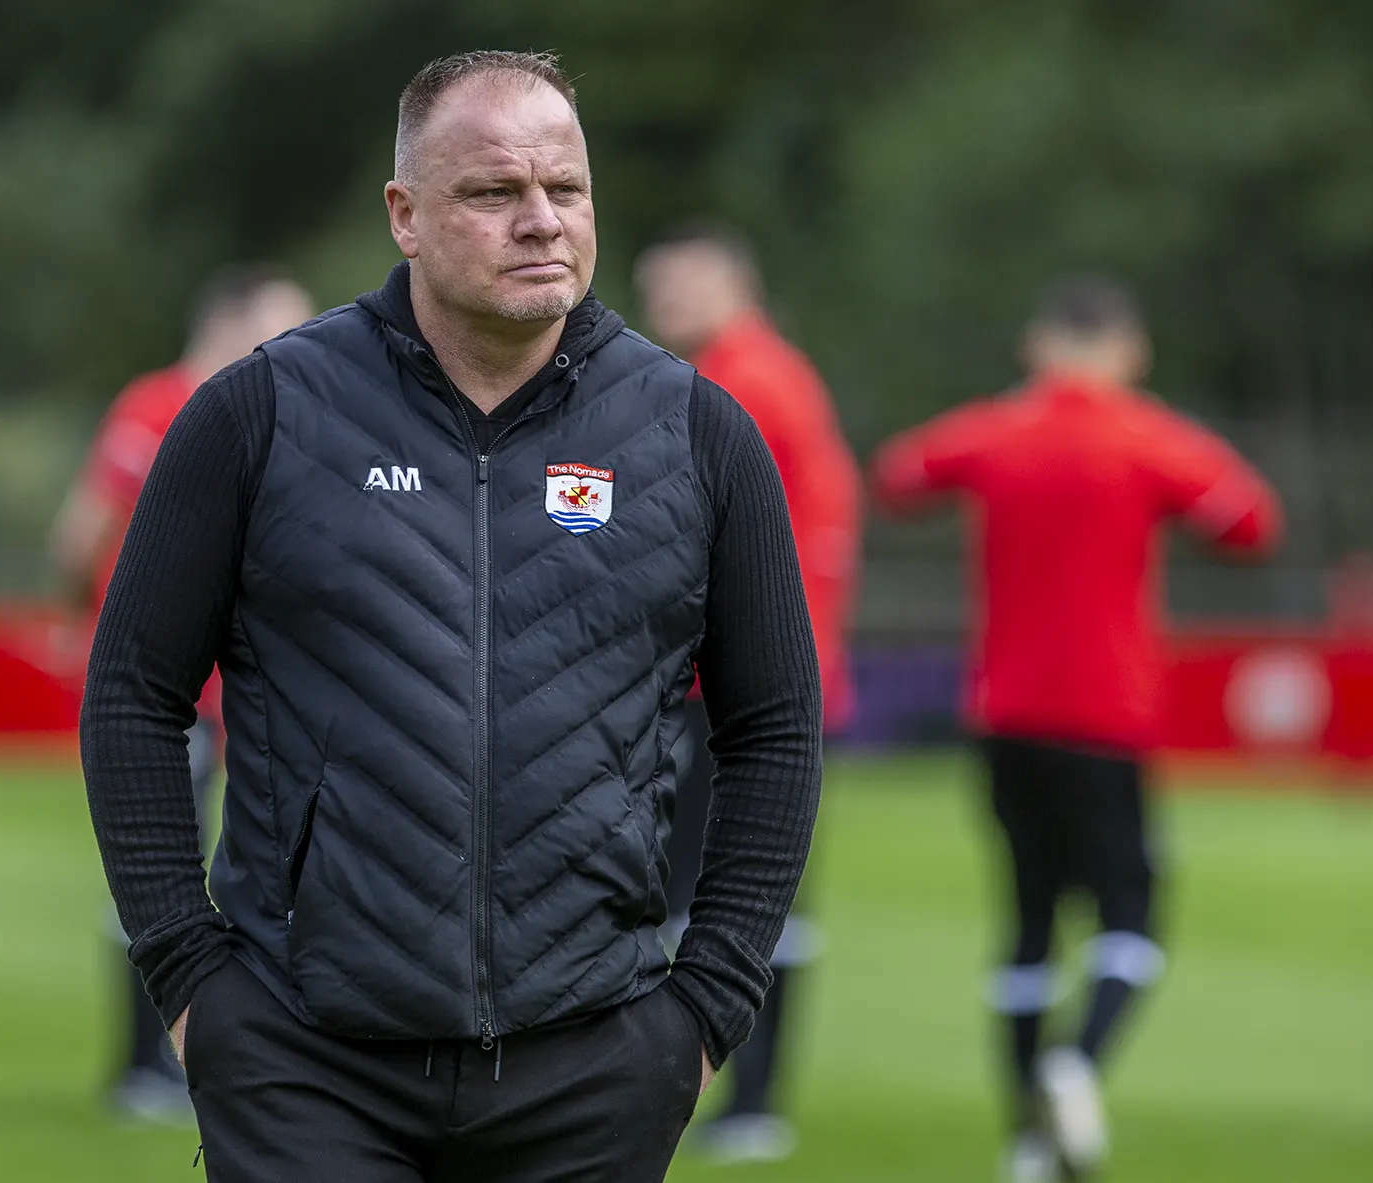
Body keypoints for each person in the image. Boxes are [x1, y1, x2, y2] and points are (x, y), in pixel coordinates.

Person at [80, 50, 821, 1183]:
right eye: (493, 192)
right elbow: (132, 695)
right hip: (302, 1059)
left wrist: (708, 1004)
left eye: (564, 190)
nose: (539, 221)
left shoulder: (699, 434)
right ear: (406, 215)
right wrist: (191, 980)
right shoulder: (259, 414)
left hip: (594, 1067)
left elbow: (773, 729)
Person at [871, 277, 1282, 1181]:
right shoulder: (1146, 436)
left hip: (1006, 712)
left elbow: (898, 477)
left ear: (1036, 346)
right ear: (1129, 351)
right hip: (1106, 714)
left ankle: (1027, 1139)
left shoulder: (995, 429)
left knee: (1026, 921)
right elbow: (1252, 522)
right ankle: (1076, 1061)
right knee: (1130, 912)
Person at [53, 265, 313, 1122]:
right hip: (170, 692)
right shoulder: (162, 404)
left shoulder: (261, 410)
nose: (295, 344)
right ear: (233, 321)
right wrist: (81, 619)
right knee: (164, 866)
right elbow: (81, 529)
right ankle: (142, 1067)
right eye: (282, 324)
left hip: (232, 691)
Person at [635, 223, 860, 1163]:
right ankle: (747, 1098)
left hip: (731, 687)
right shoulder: (775, 376)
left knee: (704, 890)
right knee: (752, 890)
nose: (665, 304)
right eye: (658, 287)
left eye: (685, 285)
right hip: (771, 680)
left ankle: (733, 1093)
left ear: (737, 285)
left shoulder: (738, 384)